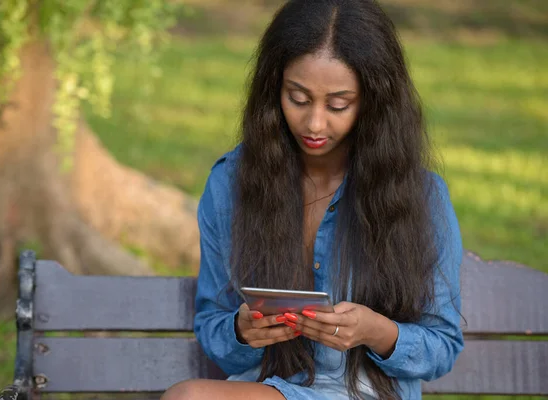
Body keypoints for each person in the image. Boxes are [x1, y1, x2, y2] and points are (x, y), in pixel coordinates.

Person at [161, 0, 463, 398]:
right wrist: (241, 330)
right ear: (274, 89)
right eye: (298, 98)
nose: (314, 123)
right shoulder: (231, 184)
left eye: (338, 104)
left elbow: (441, 345)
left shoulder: (420, 196)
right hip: (261, 387)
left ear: (374, 101)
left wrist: (375, 330)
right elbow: (215, 331)